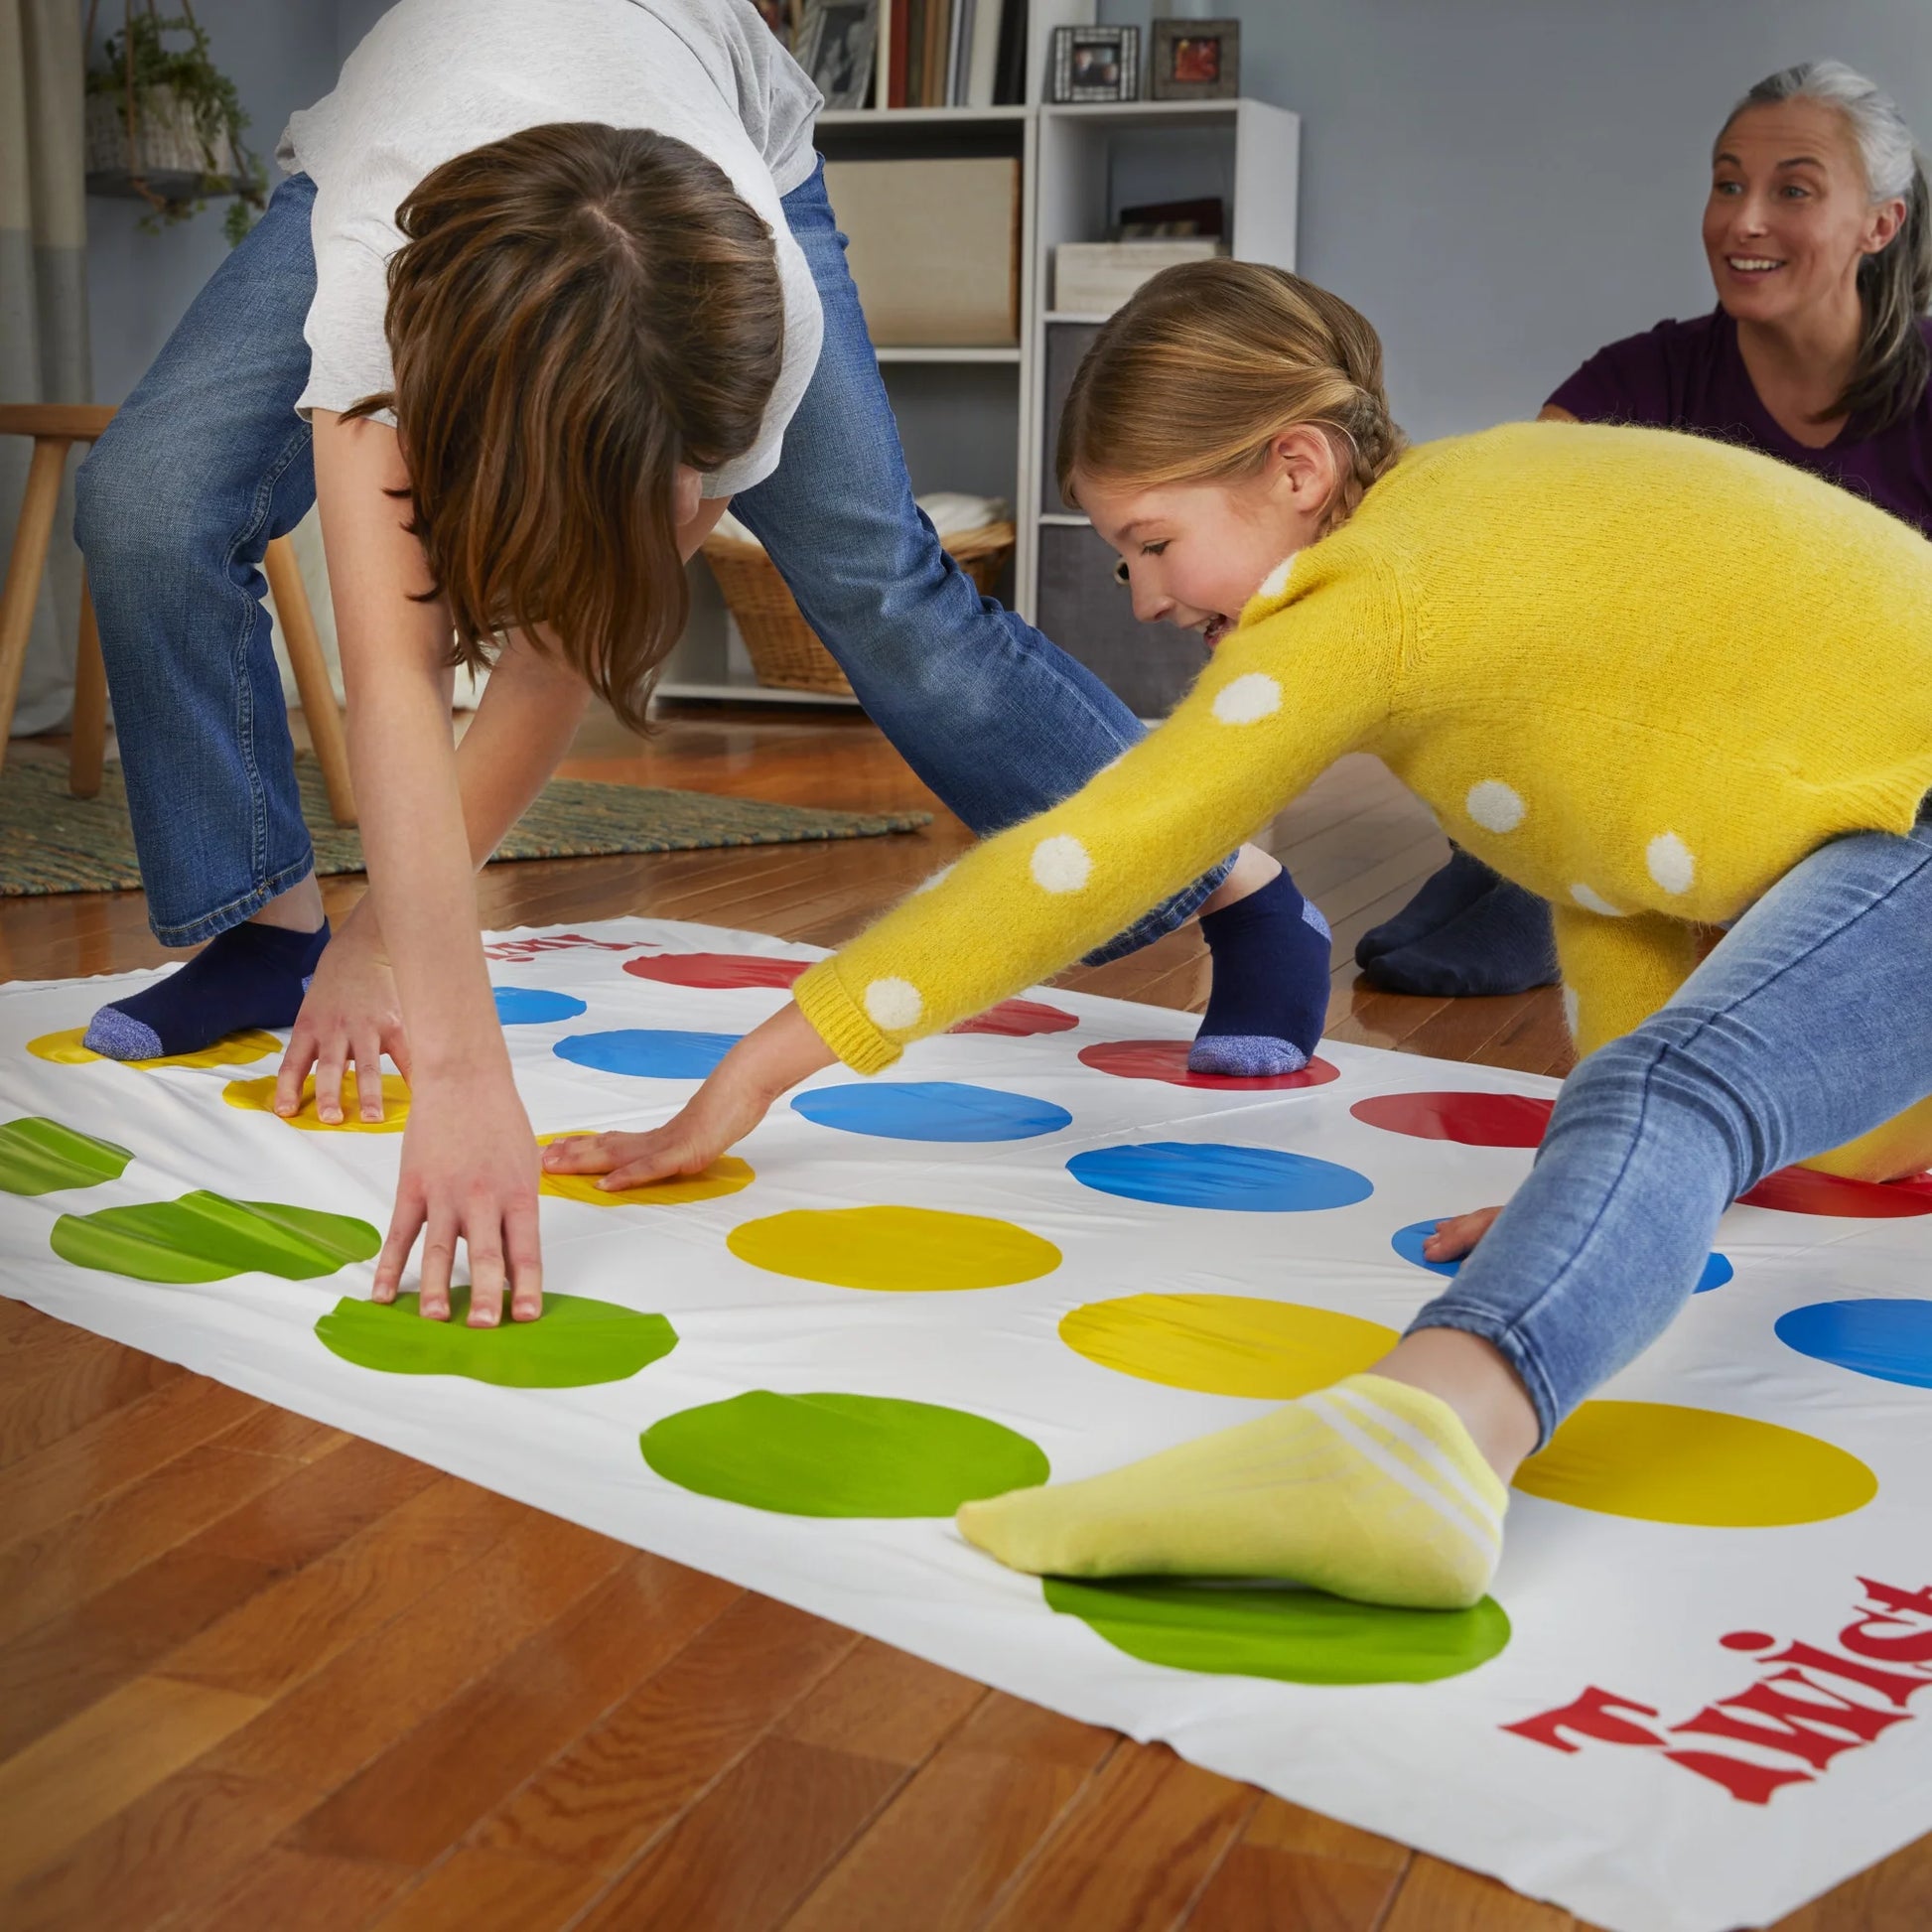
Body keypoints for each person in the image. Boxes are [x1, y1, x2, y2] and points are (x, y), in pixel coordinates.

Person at [549, 256, 1932, 1611]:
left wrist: (761, 1064)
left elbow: (1092, 858)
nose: (1145, 596)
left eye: (1152, 543)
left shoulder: (1366, 600)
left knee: (1672, 1091)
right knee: (1662, 1097)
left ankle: (1413, 1447)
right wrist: (1594, 1189)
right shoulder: (1456, 527)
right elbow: (1613, 871)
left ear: (1294, 470)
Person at [70, 0, 1324, 1330]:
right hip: (400, 168)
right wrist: (455, 1071)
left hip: (700, 132)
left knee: (881, 591)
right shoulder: (381, 331)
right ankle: (270, 935)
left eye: (698, 483)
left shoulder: (746, 312)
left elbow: (557, 660)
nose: (695, 526)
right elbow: (398, 679)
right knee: (149, 504)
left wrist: (395, 945)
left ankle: (1240, 883)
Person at [1358, 58, 1932, 1000]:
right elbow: (1502, 532)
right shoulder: (1642, 379)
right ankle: (1541, 876)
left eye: (1793, 190)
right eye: (1726, 184)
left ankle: (1622, 887)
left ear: (1881, 223)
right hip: (1667, 747)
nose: (1744, 220)